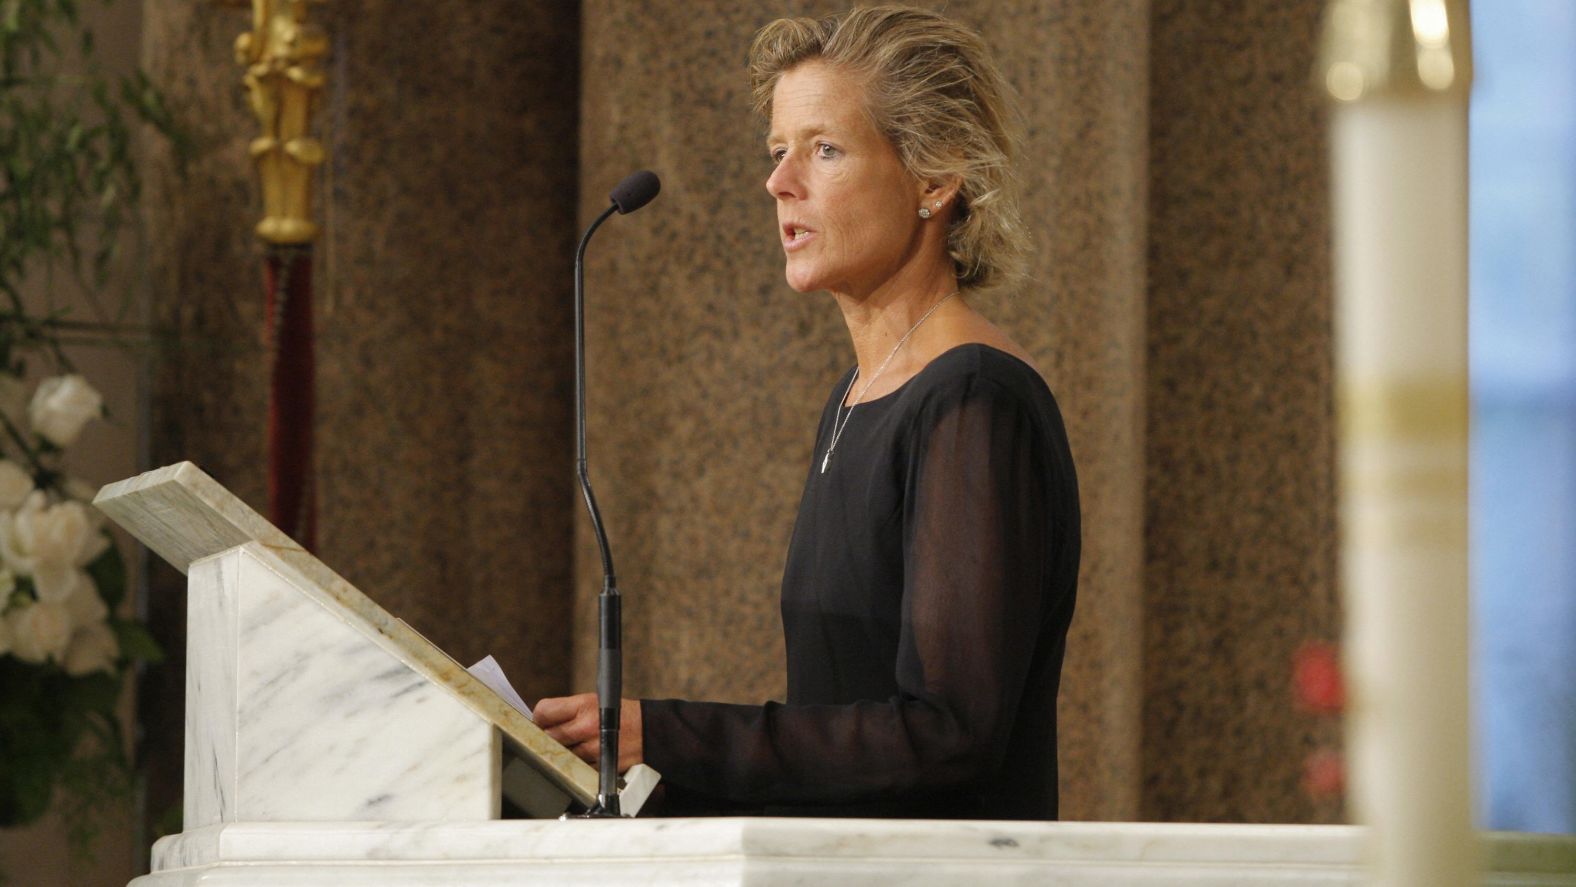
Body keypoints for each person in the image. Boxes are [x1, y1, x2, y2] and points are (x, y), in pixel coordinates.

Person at [535, 5, 1079, 820]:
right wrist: (623, 784)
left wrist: (671, 735)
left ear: (934, 177)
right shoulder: (854, 401)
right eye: (777, 151)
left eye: (825, 149)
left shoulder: (974, 400)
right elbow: (834, 750)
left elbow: (947, 735)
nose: (780, 182)